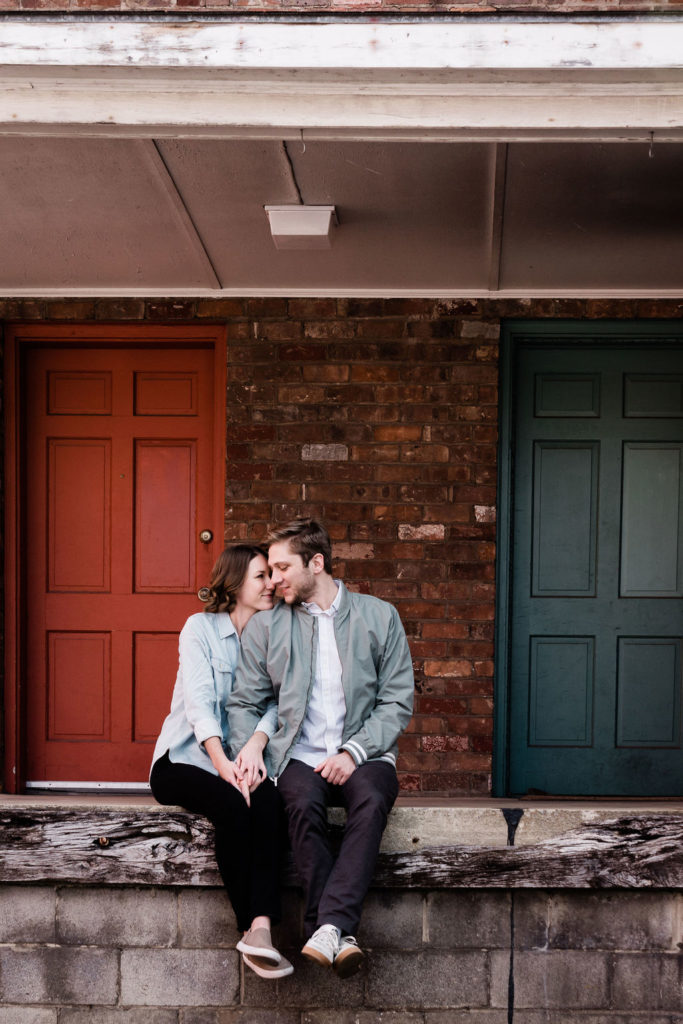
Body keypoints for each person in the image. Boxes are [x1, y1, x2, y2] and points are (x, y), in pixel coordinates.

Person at [228, 518, 414, 978]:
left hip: (365, 753)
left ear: (317, 562)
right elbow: (244, 703)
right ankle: (339, 932)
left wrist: (354, 751)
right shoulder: (267, 627)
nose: (273, 581)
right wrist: (247, 753)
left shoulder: (379, 615)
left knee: (371, 800)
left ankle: (323, 926)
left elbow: (396, 700)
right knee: (301, 806)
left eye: (281, 568)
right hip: (299, 755)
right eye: (269, 571)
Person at [150, 544, 293, 980]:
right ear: (234, 584)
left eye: (272, 575)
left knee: (269, 803)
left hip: (241, 757)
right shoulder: (200, 629)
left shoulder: (274, 633)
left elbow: (278, 701)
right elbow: (199, 705)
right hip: (185, 759)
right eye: (261, 576)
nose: (271, 583)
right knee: (234, 807)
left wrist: (253, 747)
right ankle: (247, 925)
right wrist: (223, 762)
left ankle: (263, 931)